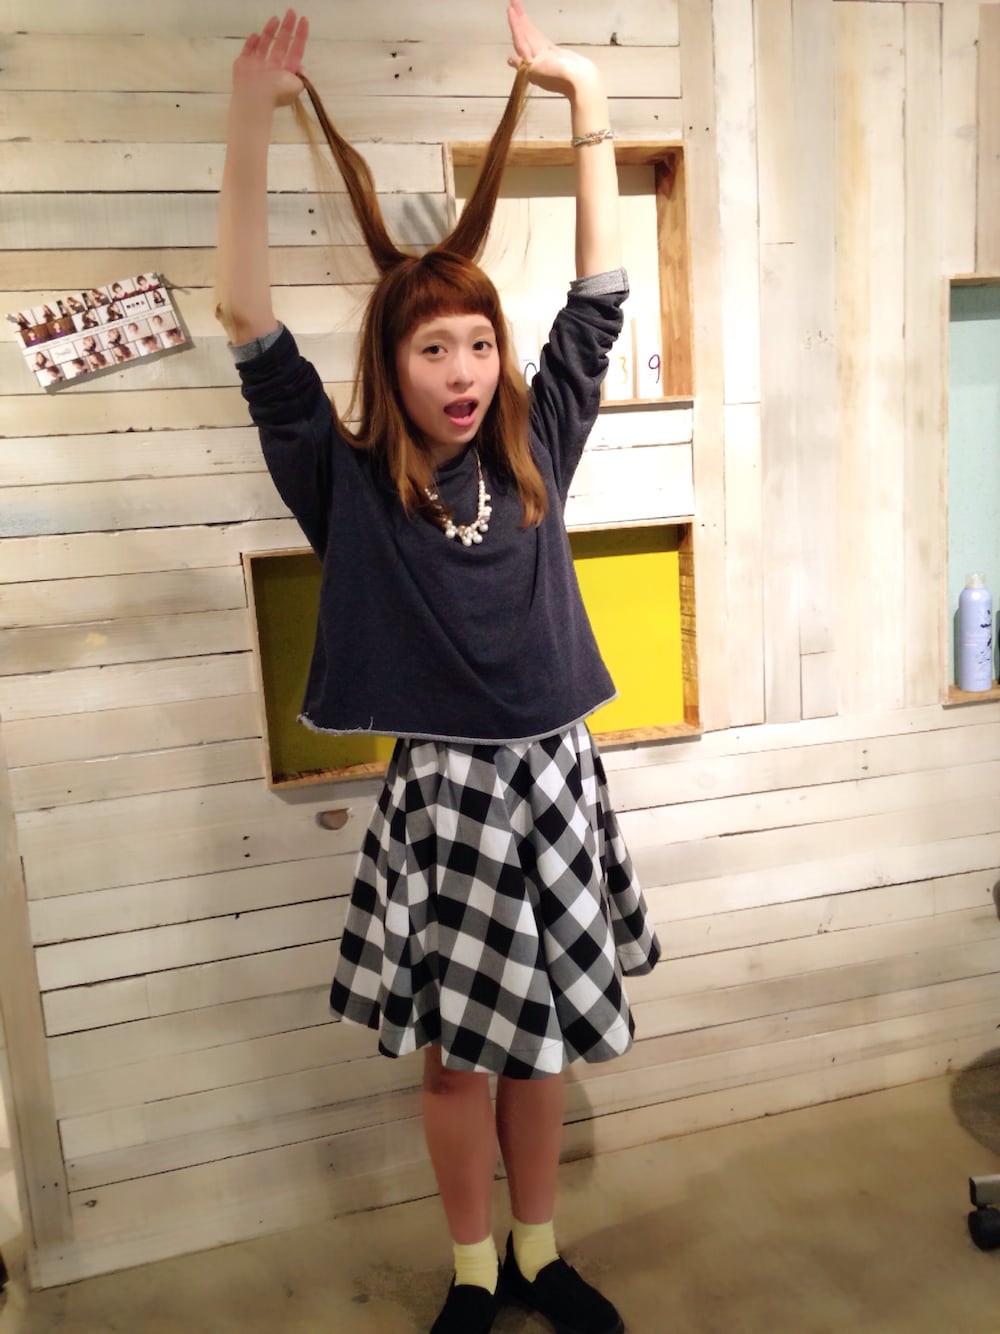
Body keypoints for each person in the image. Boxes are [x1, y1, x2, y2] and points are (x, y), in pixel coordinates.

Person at [216, 9, 659, 1334]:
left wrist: (584, 95)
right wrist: (248, 119)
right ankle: (474, 1273)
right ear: (391, 365)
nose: (463, 371)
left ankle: (538, 1252)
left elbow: (597, 299)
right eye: (432, 349)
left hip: (556, 777)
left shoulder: (538, 446)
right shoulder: (346, 485)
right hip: (447, 799)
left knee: (542, 1045)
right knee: (462, 1056)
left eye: (477, 343)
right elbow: (246, 319)